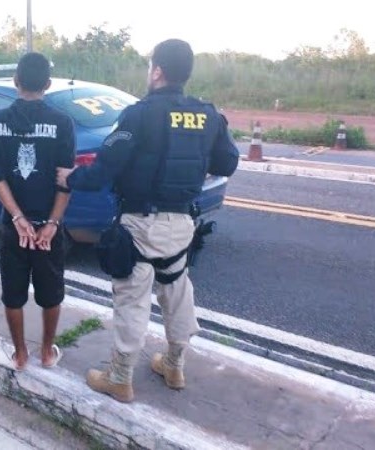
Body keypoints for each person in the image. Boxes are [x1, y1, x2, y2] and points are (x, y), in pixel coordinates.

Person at [56, 39, 239, 402]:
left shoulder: (139, 115)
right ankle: (174, 365)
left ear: (157, 71)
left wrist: (70, 178)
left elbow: (104, 170)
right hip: (182, 223)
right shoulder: (208, 114)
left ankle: (120, 377)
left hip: (140, 223)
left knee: (132, 298)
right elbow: (227, 163)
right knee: (176, 291)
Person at [0, 52, 76, 371]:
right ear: (47, 84)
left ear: (15, 81)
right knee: (51, 293)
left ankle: (20, 354)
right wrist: (51, 223)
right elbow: (65, 180)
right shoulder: (62, 123)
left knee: (13, 293)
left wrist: (18, 218)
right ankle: (47, 353)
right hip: (48, 227)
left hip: (15, 227)